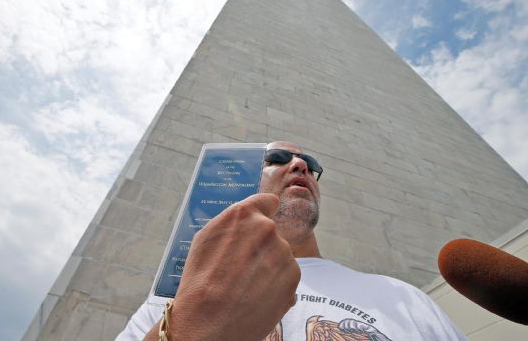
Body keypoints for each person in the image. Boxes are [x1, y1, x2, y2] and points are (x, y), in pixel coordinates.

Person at [117, 141, 467, 340]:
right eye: (277, 159)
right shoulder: (175, 300)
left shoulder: (404, 299)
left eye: (309, 163)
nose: (299, 164)